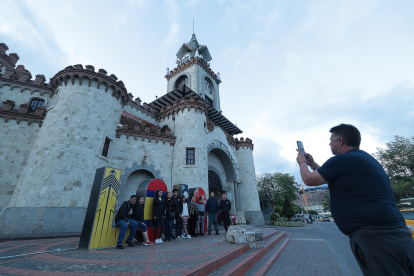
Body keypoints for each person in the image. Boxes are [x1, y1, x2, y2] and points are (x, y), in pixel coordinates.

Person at [296, 123, 414, 276]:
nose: (329, 144)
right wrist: (313, 164)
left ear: (340, 141)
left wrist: (301, 162)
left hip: (375, 239)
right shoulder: (365, 159)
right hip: (398, 234)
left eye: (331, 140)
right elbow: (328, 178)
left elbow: (309, 180)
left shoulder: (342, 160)